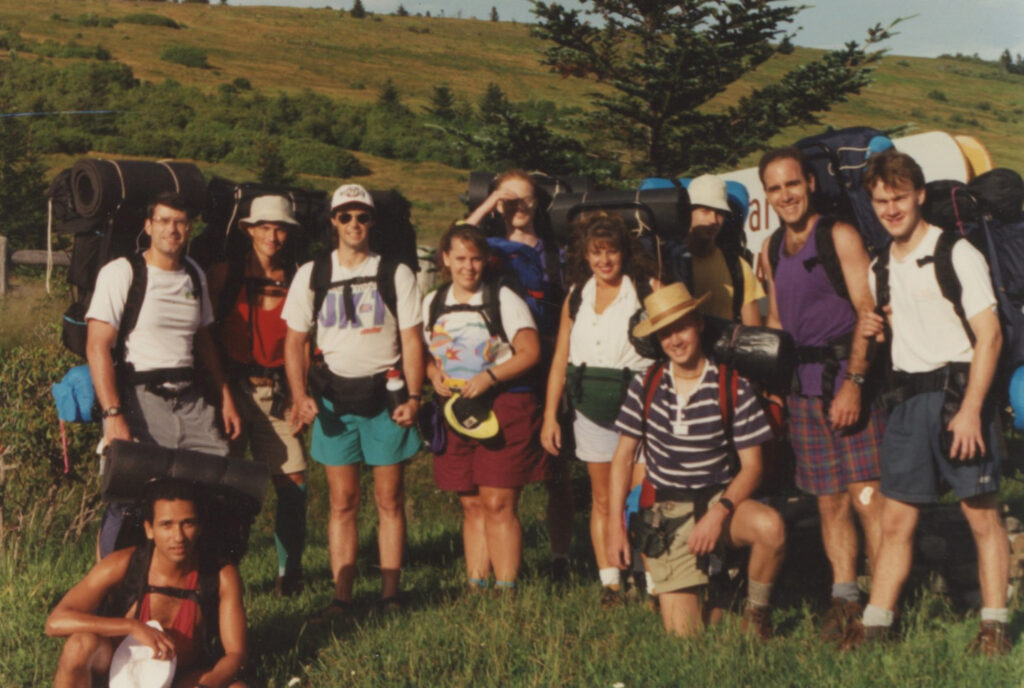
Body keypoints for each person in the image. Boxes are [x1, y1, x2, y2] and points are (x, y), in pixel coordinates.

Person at [842, 150, 1010, 654]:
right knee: (896, 521)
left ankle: (995, 627)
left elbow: (991, 337)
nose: (890, 209)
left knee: (981, 515)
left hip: (959, 395)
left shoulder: (956, 252)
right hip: (909, 404)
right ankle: (875, 627)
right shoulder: (878, 267)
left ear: (918, 195)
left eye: (898, 197)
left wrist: (971, 409)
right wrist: (873, 328)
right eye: (880, 201)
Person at [605, 283, 785, 637]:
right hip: (666, 514)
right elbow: (622, 457)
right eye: (665, 332)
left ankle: (755, 615)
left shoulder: (733, 386)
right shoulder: (646, 384)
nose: (675, 340)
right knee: (685, 640)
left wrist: (718, 515)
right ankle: (720, 592)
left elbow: (753, 467)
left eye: (682, 327)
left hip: (719, 502)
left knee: (771, 527)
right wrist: (615, 526)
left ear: (699, 324)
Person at [757, 147, 885, 640]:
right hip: (802, 393)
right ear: (766, 195)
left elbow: (866, 311)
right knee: (829, 502)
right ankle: (845, 600)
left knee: (866, 498)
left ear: (809, 183)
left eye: (792, 184)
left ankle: (880, 606)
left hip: (846, 382)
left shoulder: (837, 235)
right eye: (775, 188)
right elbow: (777, 322)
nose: (785, 195)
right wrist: (773, 390)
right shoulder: (771, 247)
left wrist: (853, 383)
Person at [282, 184, 423, 615]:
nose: (354, 224)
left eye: (362, 216)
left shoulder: (396, 272)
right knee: (342, 501)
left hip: (386, 397)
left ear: (373, 221)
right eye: (346, 217)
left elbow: (412, 340)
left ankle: (389, 594)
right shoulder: (312, 272)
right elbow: (294, 341)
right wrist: (300, 395)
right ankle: (341, 597)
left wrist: (415, 397)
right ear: (333, 222)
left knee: (389, 499)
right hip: (333, 400)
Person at [86, 191, 241, 559]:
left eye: (181, 222)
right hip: (140, 397)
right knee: (131, 498)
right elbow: (97, 347)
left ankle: (192, 590)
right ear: (148, 226)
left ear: (190, 228)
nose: (173, 229)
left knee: (212, 486)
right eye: (164, 221)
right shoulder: (122, 273)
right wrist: (113, 416)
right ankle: (112, 590)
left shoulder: (194, 274)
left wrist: (225, 398)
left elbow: (203, 341)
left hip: (189, 398)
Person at [541, 212, 657, 605]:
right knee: (604, 497)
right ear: (586, 256)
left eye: (611, 252)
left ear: (624, 254)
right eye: (596, 253)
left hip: (640, 404)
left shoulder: (644, 290)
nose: (604, 261)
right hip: (589, 406)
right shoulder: (577, 295)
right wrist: (549, 416)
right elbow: (560, 357)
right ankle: (611, 581)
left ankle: (653, 580)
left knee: (644, 494)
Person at [424, 222, 547, 593]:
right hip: (455, 409)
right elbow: (424, 354)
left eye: (475, 259)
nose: (468, 267)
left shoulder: (504, 298)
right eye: (460, 258)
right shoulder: (433, 301)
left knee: (497, 501)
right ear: (445, 259)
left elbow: (530, 352)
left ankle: (506, 589)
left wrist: (490, 378)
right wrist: (432, 374)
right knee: (471, 502)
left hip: (503, 405)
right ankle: (476, 587)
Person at [466, 170, 574, 580]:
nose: (517, 207)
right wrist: (487, 205)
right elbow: (453, 242)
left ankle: (559, 557)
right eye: (508, 200)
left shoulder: (555, 252)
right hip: (497, 366)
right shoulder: (487, 247)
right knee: (496, 473)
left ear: (539, 203)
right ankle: (497, 559)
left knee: (557, 468)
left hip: (547, 361)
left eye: (525, 199)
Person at [46, 480, 248, 688]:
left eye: (187, 523)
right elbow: (55, 622)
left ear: (200, 527)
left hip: (183, 679)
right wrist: (132, 626)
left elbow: (236, 654)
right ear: (149, 529)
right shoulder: (123, 564)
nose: (178, 537)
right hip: (118, 674)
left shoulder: (221, 575)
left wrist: (206, 686)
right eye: (166, 525)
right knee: (79, 645)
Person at [207, 195, 308, 597]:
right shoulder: (224, 275)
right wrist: (219, 391)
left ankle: (289, 575)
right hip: (230, 389)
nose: (272, 235)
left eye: (280, 227)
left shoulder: (300, 278)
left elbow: (305, 342)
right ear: (249, 230)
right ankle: (223, 571)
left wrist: (300, 393)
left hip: (278, 391)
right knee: (228, 485)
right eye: (263, 227)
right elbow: (206, 337)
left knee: (293, 481)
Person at [686, 174, 764, 325]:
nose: (713, 220)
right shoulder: (670, 262)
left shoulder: (738, 267)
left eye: (719, 213)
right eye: (705, 211)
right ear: (688, 213)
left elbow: (753, 334)